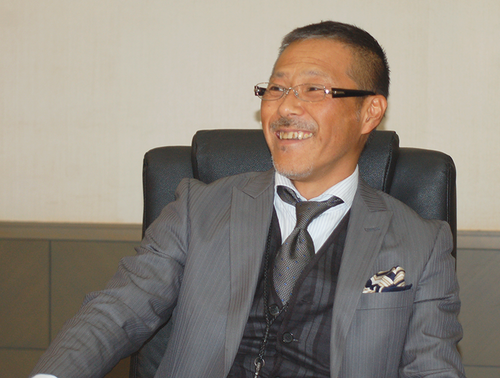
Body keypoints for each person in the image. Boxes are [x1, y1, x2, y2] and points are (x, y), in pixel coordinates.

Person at [31, 21, 465, 378]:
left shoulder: (423, 244)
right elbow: (116, 312)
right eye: (276, 89)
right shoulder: (196, 209)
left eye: (314, 90)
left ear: (370, 111)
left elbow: (432, 367)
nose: (285, 108)